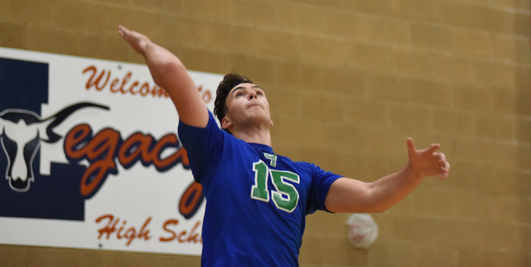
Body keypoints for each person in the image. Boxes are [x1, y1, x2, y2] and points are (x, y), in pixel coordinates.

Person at [117, 25, 450, 267]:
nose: (253, 94)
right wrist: (145, 43)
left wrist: (414, 172)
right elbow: (173, 71)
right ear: (226, 122)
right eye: (240, 93)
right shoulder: (216, 149)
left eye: (258, 91)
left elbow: (373, 196)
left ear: (271, 117)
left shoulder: (304, 175)